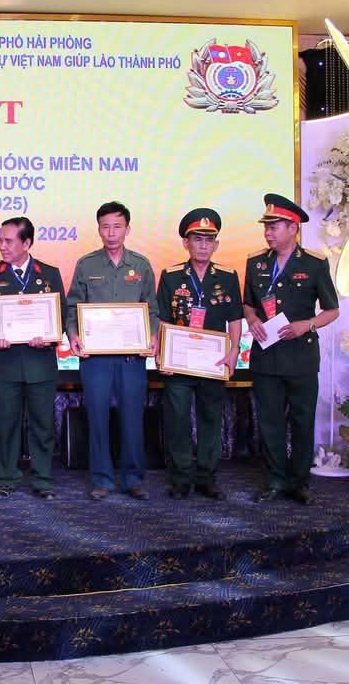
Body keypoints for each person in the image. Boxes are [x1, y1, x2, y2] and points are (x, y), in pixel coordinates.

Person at [243, 193, 339, 505]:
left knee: (302, 420)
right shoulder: (256, 263)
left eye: (274, 227)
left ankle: (299, 481)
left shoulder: (314, 263)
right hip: (266, 355)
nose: (268, 233)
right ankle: (275, 480)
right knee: (269, 422)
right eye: (266, 227)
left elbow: (332, 310)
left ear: (293, 228)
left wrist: (306, 325)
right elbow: (248, 303)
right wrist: (252, 319)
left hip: (300, 356)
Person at [66, 201, 160, 501]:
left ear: (127, 229)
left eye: (117, 226)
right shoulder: (87, 264)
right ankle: (102, 479)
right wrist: (73, 334)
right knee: (97, 418)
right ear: (98, 229)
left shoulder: (141, 265)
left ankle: (133, 478)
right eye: (105, 226)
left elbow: (152, 309)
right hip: (96, 359)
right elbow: (73, 307)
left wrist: (153, 335)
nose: (111, 232)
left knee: (133, 419)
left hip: (131, 358)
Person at [0, 217, 65, 500]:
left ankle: (42, 479)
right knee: (7, 424)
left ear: (27, 243)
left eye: (8, 241)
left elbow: (61, 315)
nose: (2, 246)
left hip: (41, 363)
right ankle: (6, 478)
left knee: (42, 425)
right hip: (6, 363)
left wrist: (50, 336)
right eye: (0, 240)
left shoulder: (49, 274)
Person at [156, 208, 242, 500]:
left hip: (213, 363)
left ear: (216, 244)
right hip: (179, 363)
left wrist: (234, 351)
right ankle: (180, 478)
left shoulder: (228, 277)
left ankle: (207, 477)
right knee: (177, 420)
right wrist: (162, 355)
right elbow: (163, 320)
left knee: (211, 419)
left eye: (209, 240)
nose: (203, 246)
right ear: (186, 243)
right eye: (197, 239)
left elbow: (235, 319)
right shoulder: (171, 276)